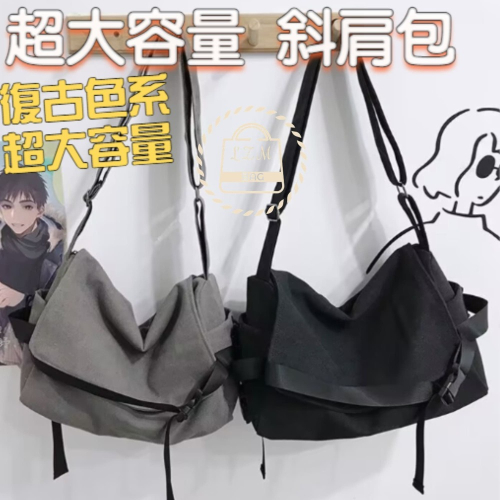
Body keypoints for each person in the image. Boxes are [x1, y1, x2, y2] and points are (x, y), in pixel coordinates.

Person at [0, 171, 64, 365]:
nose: (15, 215)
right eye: (7, 206)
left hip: (42, 357)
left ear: (40, 209)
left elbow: (63, 306)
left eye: (26, 206)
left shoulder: (59, 250)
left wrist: (22, 298)